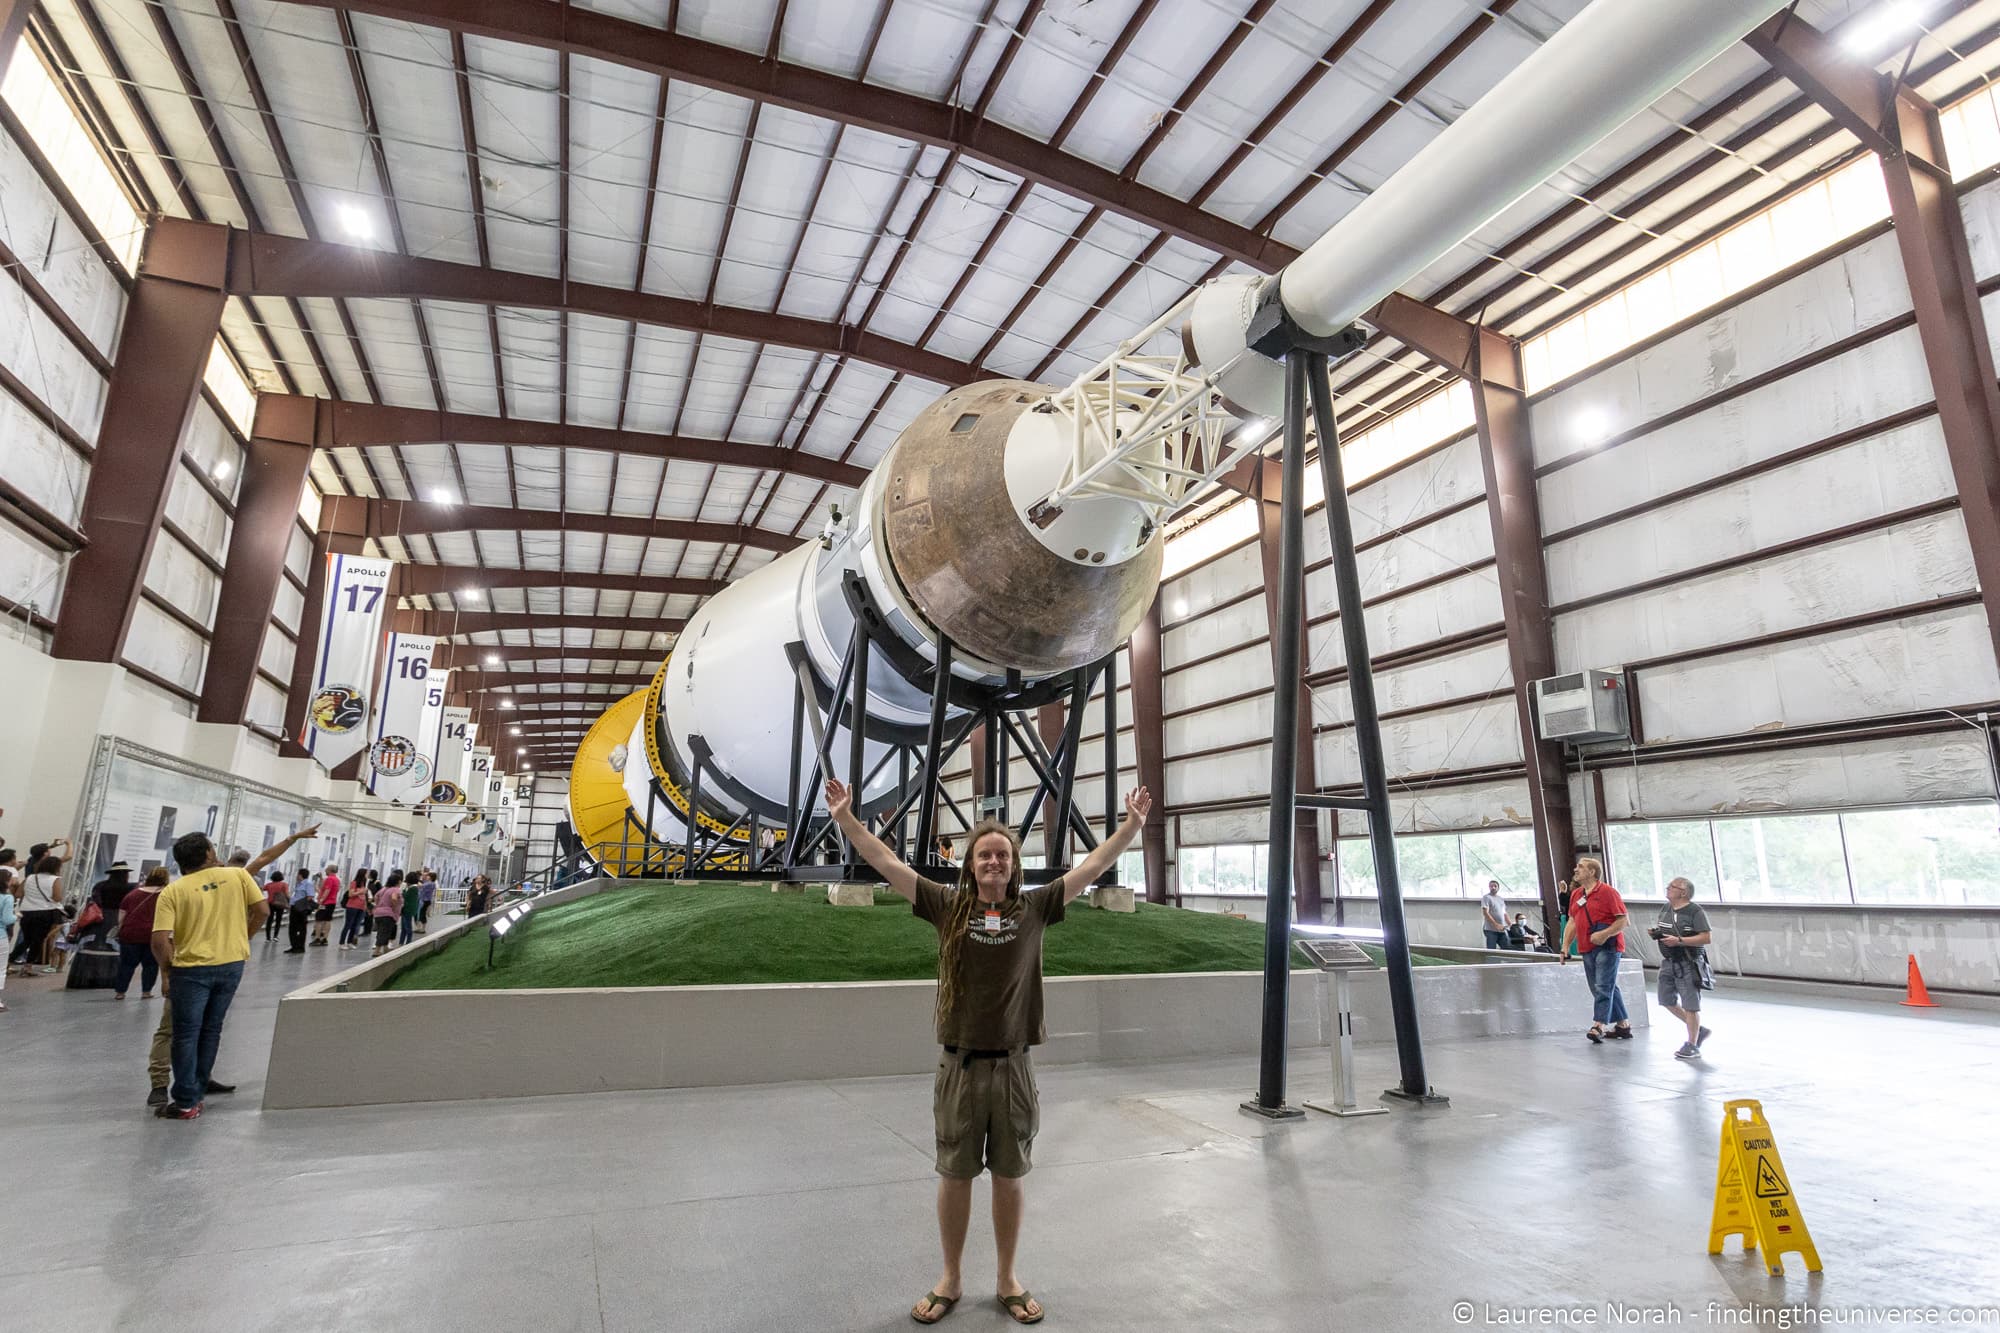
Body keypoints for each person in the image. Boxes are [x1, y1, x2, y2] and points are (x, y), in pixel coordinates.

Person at [824, 774, 1153, 1328]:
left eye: (1002, 855)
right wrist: (845, 819)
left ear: (1013, 864)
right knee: (954, 1174)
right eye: (984, 856)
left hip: (1014, 1067)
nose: (994, 863)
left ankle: (1007, 1279)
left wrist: (1133, 827)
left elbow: (1092, 868)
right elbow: (887, 863)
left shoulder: (1037, 907)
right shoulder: (947, 907)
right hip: (959, 1065)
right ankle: (950, 1278)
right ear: (970, 865)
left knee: (1009, 1173)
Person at [150, 832, 269, 1121]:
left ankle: (186, 1100)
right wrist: (243, 938)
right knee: (211, 1029)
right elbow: (262, 911)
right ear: (207, 854)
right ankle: (197, 1091)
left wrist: (166, 970)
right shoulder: (237, 877)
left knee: (186, 1033)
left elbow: (159, 938)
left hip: (190, 969)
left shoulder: (174, 891)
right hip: (231, 964)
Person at [1559, 857, 1632, 1043]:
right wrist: (1565, 946)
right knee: (1602, 986)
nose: (1576, 870)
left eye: (1581, 867)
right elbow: (1572, 921)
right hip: (1586, 946)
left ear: (1592, 872)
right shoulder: (1576, 894)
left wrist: (1605, 934)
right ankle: (1623, 1025)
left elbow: (1623, 920)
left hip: (1608, 947)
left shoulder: (1608, 893)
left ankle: (1598, 1025)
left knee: (1602, 985)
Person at [1653, 877, 1714, 1060]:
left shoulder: (1695, 911)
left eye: (1673, 887)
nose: (1668, 889)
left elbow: (1705, 937)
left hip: (1688, 962)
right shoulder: (1666, 908)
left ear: (1683, 892)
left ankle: (1692, 1043)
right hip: (1669, 961)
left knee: (1690, 1004)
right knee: (1666, 999)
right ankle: (1697, 1029)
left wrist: (1680, 941)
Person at [114, 867, 170, 1001]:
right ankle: (146, 991)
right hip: (153, 935)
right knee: (151, 965)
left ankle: (120, 992)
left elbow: (121, 915)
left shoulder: (132, 894)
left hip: (130, 934)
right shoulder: (166, 895)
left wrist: (121, 930)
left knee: (126, 964)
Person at [8, 851, 67, 975]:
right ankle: (28, 967)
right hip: (45, 913)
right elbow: (57, 897)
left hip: (27, 912)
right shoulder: (55, 879)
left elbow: (18, 894)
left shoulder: (30, 877)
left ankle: (8, 961)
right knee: (38, 940)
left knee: (26, 940)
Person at [340, 870, 373, 951]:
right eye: (366, 874)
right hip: (352, 906)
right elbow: (350, 894)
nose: (367, 875)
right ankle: (341, 942)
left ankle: (350, 942)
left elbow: (365, 897)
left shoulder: (364, 884)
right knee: (348, 925)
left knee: (355, 925)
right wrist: (360, 891)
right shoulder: (354, 883)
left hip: (361, 907)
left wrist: (366, 907)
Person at [371, 872, 402, 957]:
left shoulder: (384, 889)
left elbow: (376, 896)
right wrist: (394, 908)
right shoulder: (395, 889)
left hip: (379, 913)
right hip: (388, 914)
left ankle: (385, 948)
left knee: (383, 931)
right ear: (398, 881)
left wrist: (378, 905)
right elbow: (394, 898)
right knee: (384, 932)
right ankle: (377, 951)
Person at [285, 868, 315, 952]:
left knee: (301, 928)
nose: (296, 876)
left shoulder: (308, 884)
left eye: (297, 874)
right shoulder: (299, 884)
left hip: (301, 908)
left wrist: (300, 904)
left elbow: (310, 896)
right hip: (294, 907)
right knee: (292, 927)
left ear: (300, 875)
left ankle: (300, 947)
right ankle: (294, 945)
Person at [312, 864, 341, 946]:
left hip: (326, 903)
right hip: (332, 902)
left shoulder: (329, 879)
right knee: (327, 920)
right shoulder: (337, 879)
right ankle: (325, 938)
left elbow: (327, 890)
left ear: (330, 870)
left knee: (319, 920)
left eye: (327, 869)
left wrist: (321, 901)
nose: (325, 870)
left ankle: (317, 938)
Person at [0, 873, 15, 1012]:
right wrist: (16, 916)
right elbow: (7, 919)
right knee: (0, 969)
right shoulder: (7, 898)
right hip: (1, 936)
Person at [1478, 879, 1507, 950]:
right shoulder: (1486, 897)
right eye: (1491, 886)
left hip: (1501, 929)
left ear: (1498, 888)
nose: (1493, 888)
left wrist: (1509, 924)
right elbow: (1485, 913)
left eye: (1495, 886)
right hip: (1490, 929)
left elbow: (1504, 913)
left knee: (1507, 947)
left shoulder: (1500, 899)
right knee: (1491, 949)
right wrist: (1496, 924)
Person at [263, 870, 289, 941]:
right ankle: (275, 936)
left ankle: (268, 937)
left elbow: (261, 888)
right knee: (278, 919)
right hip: (280, 903)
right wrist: (289, 901)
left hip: (270, 903)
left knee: (269, 920)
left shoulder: (268, 885)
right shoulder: (284, 884)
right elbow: (287, 894)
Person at [398, 869, 420, 946]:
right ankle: (401, 943)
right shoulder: (412, 888)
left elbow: (406, 896)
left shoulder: (413, 888)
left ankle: (408, 943)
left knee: (408, 928)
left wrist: (403, 892)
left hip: (408, 910)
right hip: (406, 910)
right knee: (404, 927)